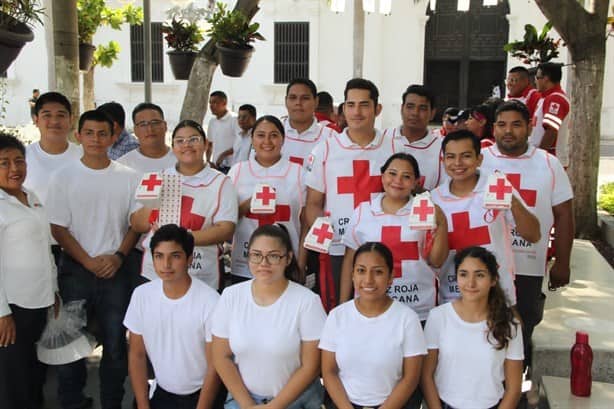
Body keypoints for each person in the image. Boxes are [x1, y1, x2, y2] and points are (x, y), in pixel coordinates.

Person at [46, 110, 142, 409]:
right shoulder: (63, 176)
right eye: (90, 133)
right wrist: (86, 261)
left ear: (114, 136)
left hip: (117, 270)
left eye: (103, 133)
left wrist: (118, 256)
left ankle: (112, 402)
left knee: (115, 345)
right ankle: (72, 402)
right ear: (79, 136)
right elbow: (58, 227)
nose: (96, 139)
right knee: (72, 344)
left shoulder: (128, 177)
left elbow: (135, 225)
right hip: (75, 270)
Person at [481, 100, 574, 372]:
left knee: (522, 332)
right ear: (493, 128)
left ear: (530, 127)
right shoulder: (480, 160)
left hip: (528, 266)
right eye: (501, 124)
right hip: (486, 265)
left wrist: (563, 262)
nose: (508, 131)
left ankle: (518, 391)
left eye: (516, 124)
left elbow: (565, 214)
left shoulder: (548, 163)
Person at [305, 78, 404, 310]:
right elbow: (313, 203)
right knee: (338, 313)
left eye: (364, 105)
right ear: (343, 108)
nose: (356, 112)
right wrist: (325, 239)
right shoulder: (326, 149)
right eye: (350, 105)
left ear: (377, 109)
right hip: (338, 248)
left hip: (382, 247)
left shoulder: (393, 148)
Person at [212, 224, 326, 409]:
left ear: (288, 258)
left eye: (273, 256)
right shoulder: (231, 296)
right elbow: (221, 357)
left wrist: (274, 407)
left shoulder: (307, 302)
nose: (263, 263)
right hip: (242, 399)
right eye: (256, 255)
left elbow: (311, 367)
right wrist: (248, 405)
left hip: (297, 401)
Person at [430, 130, 540, 306]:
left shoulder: (496, 188)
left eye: (466, 156)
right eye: (451, 157)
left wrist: (511, 200)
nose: (457, 163)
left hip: (497, 295)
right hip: (452, 297)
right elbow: (434, 261)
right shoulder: (433, 199)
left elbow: (533, 235)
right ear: (443, 161)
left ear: (479, 159)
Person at [339, 153, 448, 322]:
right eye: (392, 173)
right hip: (371, 305)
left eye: (406, 176)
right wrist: (343, 303)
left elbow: (437, 261)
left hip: (419, 307)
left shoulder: (425, 211)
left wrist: (441, 224)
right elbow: (349, 260)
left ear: (415, 182)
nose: (398, 181)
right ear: (382, 176)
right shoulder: (363, 211)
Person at [131, 120, 238, 291]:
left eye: (193, 139)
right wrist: (151, 203)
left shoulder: (221, 182)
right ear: (173, 147)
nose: (186, 145)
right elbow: (138, 225)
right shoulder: (158, 178)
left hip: (200, 271)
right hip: (156, 272)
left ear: (206, 145)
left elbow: (225, 229)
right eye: (180, 141)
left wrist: (179, 240)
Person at [125, 224, 220, 409]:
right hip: (161, 392)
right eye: (159, 256)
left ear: (189, 259)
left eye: (175, 256)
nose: (166, 264)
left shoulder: (210, 301)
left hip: (201, 395)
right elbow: (137, 355)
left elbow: (214, 367)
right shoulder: (141, 295)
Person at [320, 242, 426, 409]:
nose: (368, 280)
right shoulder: (337, 316)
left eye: (378, 272)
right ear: (352, 275)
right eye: (361, 271)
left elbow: (410, 378)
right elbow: (329, 371)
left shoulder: (407, 319)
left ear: (391, 277)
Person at [421, 246, 524, 409]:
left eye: (480, 275)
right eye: (463, 274)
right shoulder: (438, 317)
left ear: (493, 279)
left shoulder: (509, 324)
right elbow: (426, 376)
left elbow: (514, 389)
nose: (471, 283)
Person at [0, 132, 57, 409]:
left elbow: (44, 249)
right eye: (4, 163)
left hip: (39, 301)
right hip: (12, 307)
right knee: (13, 382)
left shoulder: (30, 197)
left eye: (19, 161)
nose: (14, 169)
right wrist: (2, 313)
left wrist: (54, 290)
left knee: (35, 375)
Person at [228, 115, 306, 284]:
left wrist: (301, 262)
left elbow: (306, 222)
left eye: (274, 135)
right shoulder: (237, 171)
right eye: (261, 135)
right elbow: (226, 220)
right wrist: (248, 204)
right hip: (245, 263)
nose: (267, 141)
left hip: (285, 264)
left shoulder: (298, 173)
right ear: (252, 138)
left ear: (283, 139)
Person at [25, 91, 82, 206]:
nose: (54, 121)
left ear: (71, 119)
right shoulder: (22, 158)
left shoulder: (84, 157)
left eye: (61, 115)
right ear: (36, 120)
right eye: (47, 115)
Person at [385, 84, 444, 190]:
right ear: (402, 109)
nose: (415, 113)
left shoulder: (443, 149)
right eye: (410, 107)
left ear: (432, 113)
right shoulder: (382, 139)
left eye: (422, 108)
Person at [281, 78, 333, 166]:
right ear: (286, 101)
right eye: (293, 98)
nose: (298, 103)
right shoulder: (270, 133)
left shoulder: (331, 138)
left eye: (305, 98)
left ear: (316, 102)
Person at [530, 62, 570, 167]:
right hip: (546, 158)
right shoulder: (546, 98)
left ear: (546, 78)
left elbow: (551, 130)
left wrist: (539, 157)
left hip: (551, 159)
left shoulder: (555, 99)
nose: (535, 81)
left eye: (537, 77)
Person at [117, 103, 176, 173]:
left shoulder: (182, 160)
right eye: (143, 124)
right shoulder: (123, 166)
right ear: (135, 130)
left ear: (165, 126)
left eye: (155, 123)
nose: (150, 129)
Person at [207, 91, 237, 173]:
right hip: (216, 167)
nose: (211, 106)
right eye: (210, 103)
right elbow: (209, 144)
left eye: (215, 102)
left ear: (224, 103)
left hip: (232, 167)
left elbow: (240, 144)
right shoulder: (212, 121)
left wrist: (223, 155)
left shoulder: (235, 119)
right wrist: (208, 161)